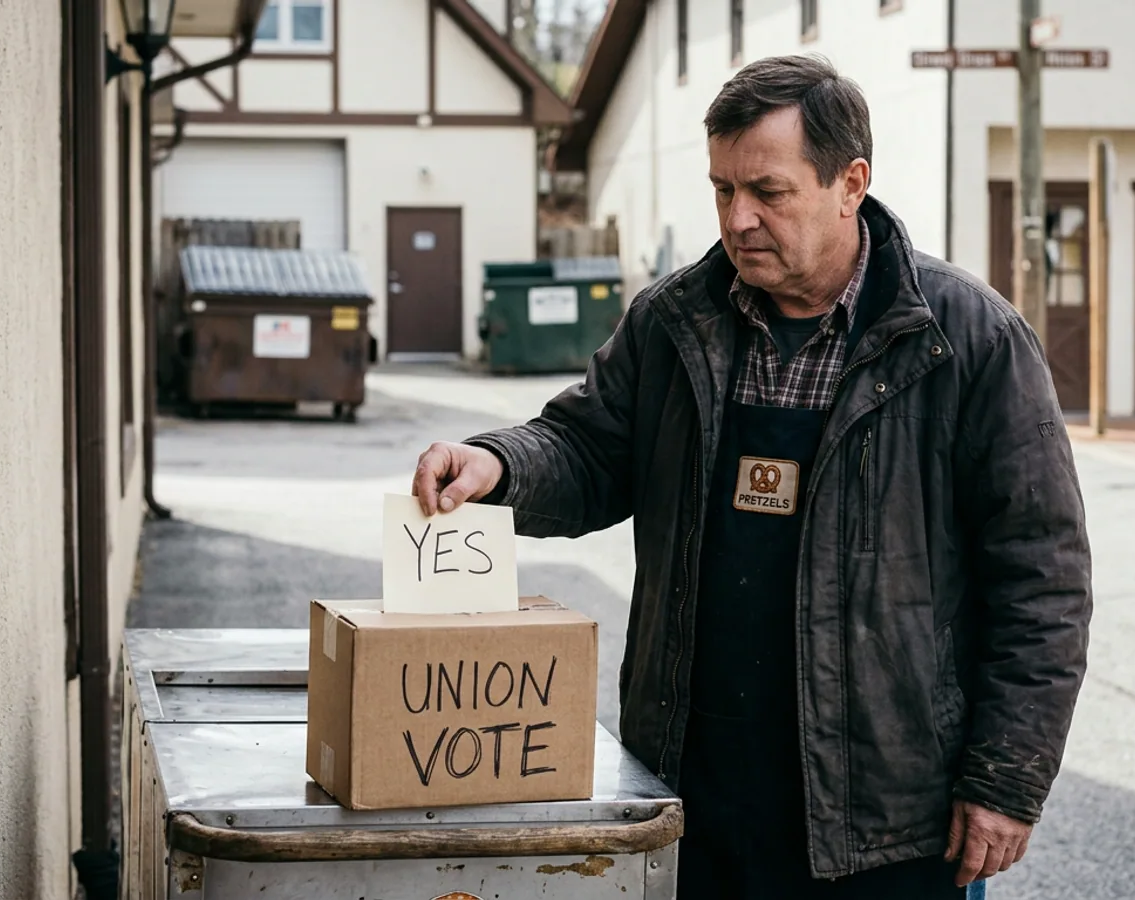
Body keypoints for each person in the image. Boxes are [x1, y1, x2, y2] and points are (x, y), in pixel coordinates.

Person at [413, 55, 1091, 899]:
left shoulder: (968, 339)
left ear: (850, 183)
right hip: (700, 794)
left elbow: (1043, 580)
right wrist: (500, 464)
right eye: (722, 190)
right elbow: (588, 449)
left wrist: (1004, 781)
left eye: (768, 192)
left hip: (888, 815)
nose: (739, 219)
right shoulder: (674, 322)